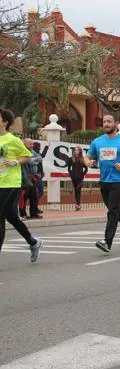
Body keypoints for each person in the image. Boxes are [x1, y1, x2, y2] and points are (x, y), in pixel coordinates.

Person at [85, 114, 120, 255]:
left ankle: (107, 242)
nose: (106, 124)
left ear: (116, 123)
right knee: (115, 210)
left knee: (112, 210)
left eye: (109, 121)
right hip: (104, 181)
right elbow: (87, 156)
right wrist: (88, 162)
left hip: (118, 180)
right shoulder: (97, 142)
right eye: (104, 122)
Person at [0, 107, 43, 263]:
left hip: (10, 183)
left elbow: (28, 155)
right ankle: (33, 242)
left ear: (4, 121)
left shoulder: (13, 140)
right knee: (11, 217)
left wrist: (15, 162)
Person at [21, 139, 43, 219]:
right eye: (30, 144)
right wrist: (33, 160)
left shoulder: (32, 151)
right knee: (24, 197)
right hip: (25, 178)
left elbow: (40, 158)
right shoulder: (22, 151)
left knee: (34, 196)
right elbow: (30, 162)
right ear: (25, 144)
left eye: (32, 144)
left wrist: (33, 160)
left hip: (32, 177)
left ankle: (33, 214)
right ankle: (23, 214)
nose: (32, 145)